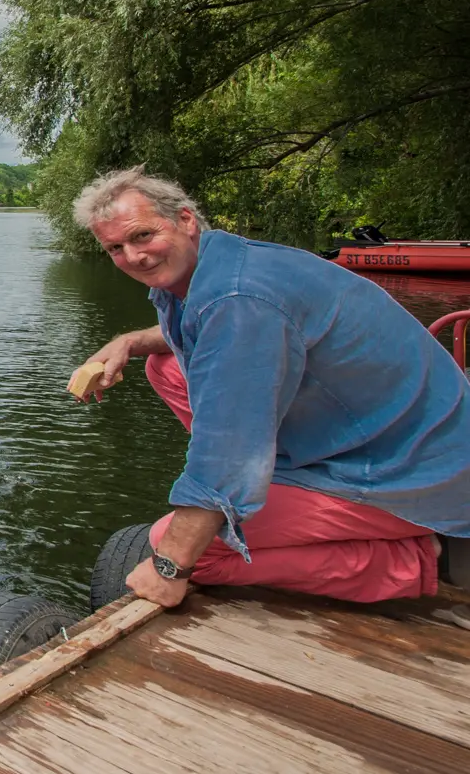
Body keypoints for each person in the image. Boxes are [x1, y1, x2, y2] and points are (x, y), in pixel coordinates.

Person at [72, 167, 469, 604]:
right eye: (115, 248)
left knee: (186, 548)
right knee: (164, 366)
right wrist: (130, 341)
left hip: (414, 473)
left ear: (185, 220)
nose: (134, 256)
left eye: (143, 235)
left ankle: (422, 558)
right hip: (391, 434)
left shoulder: (239, 302)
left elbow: (228, 446)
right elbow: (201, 328)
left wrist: (171, 567)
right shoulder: (227, 264)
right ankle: (274, 481)